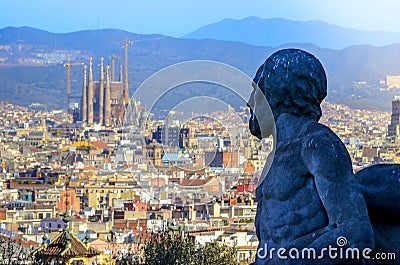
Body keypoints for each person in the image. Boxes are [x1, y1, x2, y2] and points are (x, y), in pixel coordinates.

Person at [248, 48, 375, 264]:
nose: (250, 102)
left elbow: (356, 234)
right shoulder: (275, 159)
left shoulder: (316, 144)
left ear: (277, 92)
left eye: (257, 90)